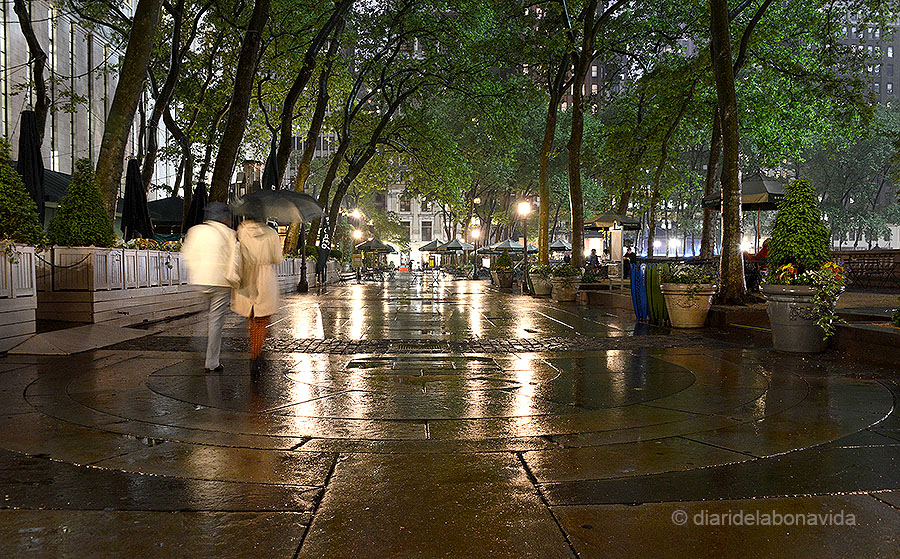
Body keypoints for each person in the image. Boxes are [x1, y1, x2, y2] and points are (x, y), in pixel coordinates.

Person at [182, 202, 236, 373]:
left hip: (200, 280)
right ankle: (212, 361)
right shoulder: (229, 234)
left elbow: (188, 254)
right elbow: (235, 259)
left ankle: (199, 335)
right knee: (216, 322)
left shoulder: (195, 231)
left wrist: (197, 271)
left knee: (206, 313)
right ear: (225, 218)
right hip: (221, 282)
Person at [231, 217, 283, 373]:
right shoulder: (271, 234)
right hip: (264, 278)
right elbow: (277, 258)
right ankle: (255, 355)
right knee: (261, 319)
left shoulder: (241, 232)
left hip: (247, 277)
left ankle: (255, 352)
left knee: (252, 318)